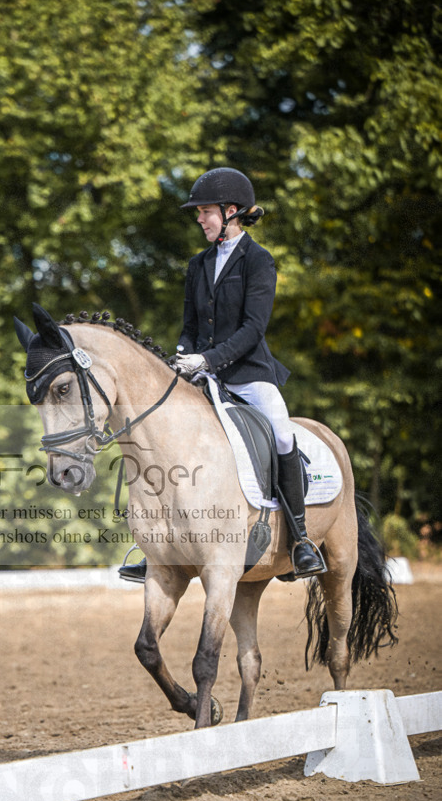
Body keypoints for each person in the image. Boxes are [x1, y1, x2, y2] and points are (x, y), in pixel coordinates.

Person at [119, 167, 326, 582]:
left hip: (249, 374)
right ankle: (159, 545)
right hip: (201, 377)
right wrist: (183, 355)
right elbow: (190, 326)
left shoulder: (259, 261)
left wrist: (209, 360)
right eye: (198, 214)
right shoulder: (198, 265)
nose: (199, 220)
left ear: (231, 212)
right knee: (163, 434)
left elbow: (254, 329)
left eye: (205, 213)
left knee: (283, 434)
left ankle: (300, 539)